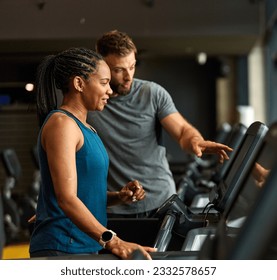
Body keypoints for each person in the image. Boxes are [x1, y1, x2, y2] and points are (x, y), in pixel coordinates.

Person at [87, 30, 233, 218]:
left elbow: (181, 130)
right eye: (118, 70)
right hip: (113, 208)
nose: (128, 76)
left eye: (132, 67)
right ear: (102, 66)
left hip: (160, 201)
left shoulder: (152, 93)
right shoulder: (89, 103)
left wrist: (195, 140)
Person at [29, 47, 156, 260]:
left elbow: (83, 194)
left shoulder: (86, 127)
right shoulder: (62, 124)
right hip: (62, 246)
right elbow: (67, 199)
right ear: (79, 83)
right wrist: (114, 242)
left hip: (83, 245)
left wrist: (119, 197)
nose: (110, 91)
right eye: (104, 83)